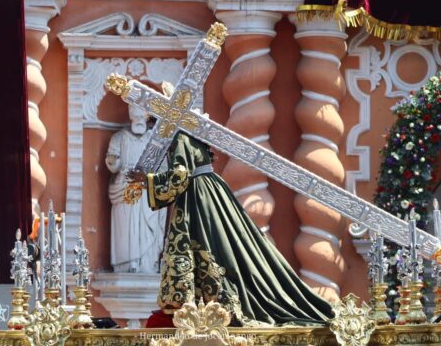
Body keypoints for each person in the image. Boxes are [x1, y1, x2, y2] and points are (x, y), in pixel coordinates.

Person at [126, 130, 333, 327]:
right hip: (208, 191)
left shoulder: (180, 136)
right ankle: (198, 299)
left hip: (198, 195)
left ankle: (206, 302)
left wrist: (147, 180)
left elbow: (180, 176)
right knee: (218, 244)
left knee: (206, 243)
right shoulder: (189, 132)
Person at [106, 104, 167, 273]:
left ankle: (148, 263)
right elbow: (113, 164)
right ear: (130, 116)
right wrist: (113, 162)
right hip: (124, 187)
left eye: (142, 116)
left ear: (147, 117)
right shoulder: (119, 138)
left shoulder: (155, 140)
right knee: (127, 228)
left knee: (149, 226)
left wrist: (150, 178)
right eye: (135, 116)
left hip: (147, 189)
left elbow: (164, 169)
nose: (139, 120)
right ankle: (127, 263)